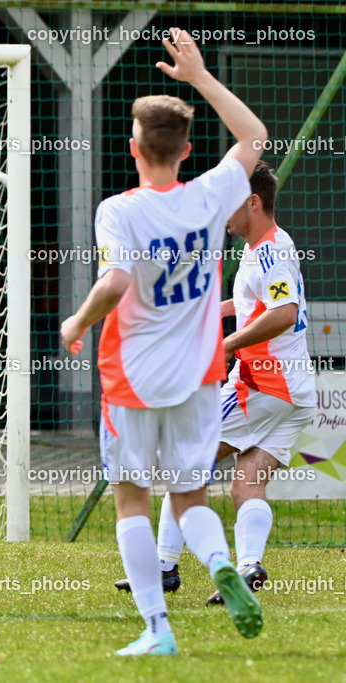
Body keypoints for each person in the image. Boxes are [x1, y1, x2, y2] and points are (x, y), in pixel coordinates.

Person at [60, 28, 267, 655]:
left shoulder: (119, 210)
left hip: (132, 377)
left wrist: (77, 321)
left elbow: (117, 280)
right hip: (201, 377)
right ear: (186, 149)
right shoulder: (211, 194)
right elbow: (254, 137)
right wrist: (200, 77)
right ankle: (220, 560)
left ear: (133, 148)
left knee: (131, 501)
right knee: (189, 496)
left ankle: (157, 629)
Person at [114, 161, 316, 605]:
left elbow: (282, 315)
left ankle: (164, 565)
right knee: (247, 483)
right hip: (294, 392)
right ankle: (247, 567)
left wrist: (227, 346)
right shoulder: (267, 245)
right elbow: (256, 301)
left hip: (262, 385)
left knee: (184, 463)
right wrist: (213, 311)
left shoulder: (269, 252)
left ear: (253, 202)